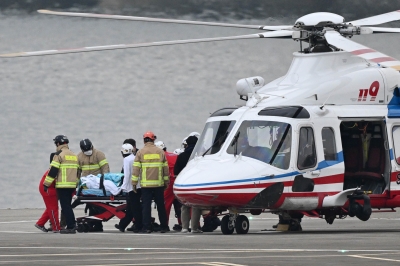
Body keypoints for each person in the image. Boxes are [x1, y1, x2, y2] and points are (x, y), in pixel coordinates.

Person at [132, 131, 169, 233]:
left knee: (146, 207)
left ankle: (147, 227)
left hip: (146, 185)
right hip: (158, 184)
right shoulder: (160, 152)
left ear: (144, 140)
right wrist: (166, 182)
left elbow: (136, 170)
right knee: (161, 206)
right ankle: (164, 227)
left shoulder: (140, 152)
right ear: (153, 140)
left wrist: (134, 183)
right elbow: (166, 169)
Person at [43, 135, 78, 234]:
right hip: (72, 185)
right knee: (68, 206)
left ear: (58, 143)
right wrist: (76, 183)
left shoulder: (59, 155)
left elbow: (53, 171)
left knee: (65, 206)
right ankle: (72, 224)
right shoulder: (74, 155)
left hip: (63, 185)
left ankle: (71, 226)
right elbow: (79, 171)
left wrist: (46, 184)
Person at [77, 138, 110, 232]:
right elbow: (77, 172)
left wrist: (104, 183)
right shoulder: (79, 157)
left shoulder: (99, 154)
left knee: (96, 205)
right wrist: (76, 185)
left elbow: (105, 168)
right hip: (86, 185)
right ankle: (95, 224)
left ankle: (95, 224)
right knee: (91, 204)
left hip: (97, 184)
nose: (88, 152)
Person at [174, 135, 203, 233]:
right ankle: (194, 228)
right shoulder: (200, 156)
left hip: (184, 183)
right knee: (195, 206)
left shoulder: (181, 156)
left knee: (184, 206)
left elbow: (175, 171)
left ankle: (184, 227)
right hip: (196, 183)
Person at [115, 142, 143, 233]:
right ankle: (122, 225)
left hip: (131, 187)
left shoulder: (127, 160)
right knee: (132, 208)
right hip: (138, 186)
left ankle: (139, 226)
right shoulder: (135, 157)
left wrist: (123, 187)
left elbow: (127, 175)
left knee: (134, 209)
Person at [155, 140, 182, 231]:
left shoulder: (160, 157)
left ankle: (164, 224)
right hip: (179, 180)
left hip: (169, 182)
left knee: (166, 205)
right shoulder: (175, 155)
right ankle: (183, 224)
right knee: (181, 204)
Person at [35, 152, 61, 233]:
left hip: (46, 187)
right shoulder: (55, 170)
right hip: (48, 188)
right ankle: (56, 227)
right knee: (53, 209)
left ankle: (40, 223)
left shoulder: (53, 168)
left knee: (51, 208)